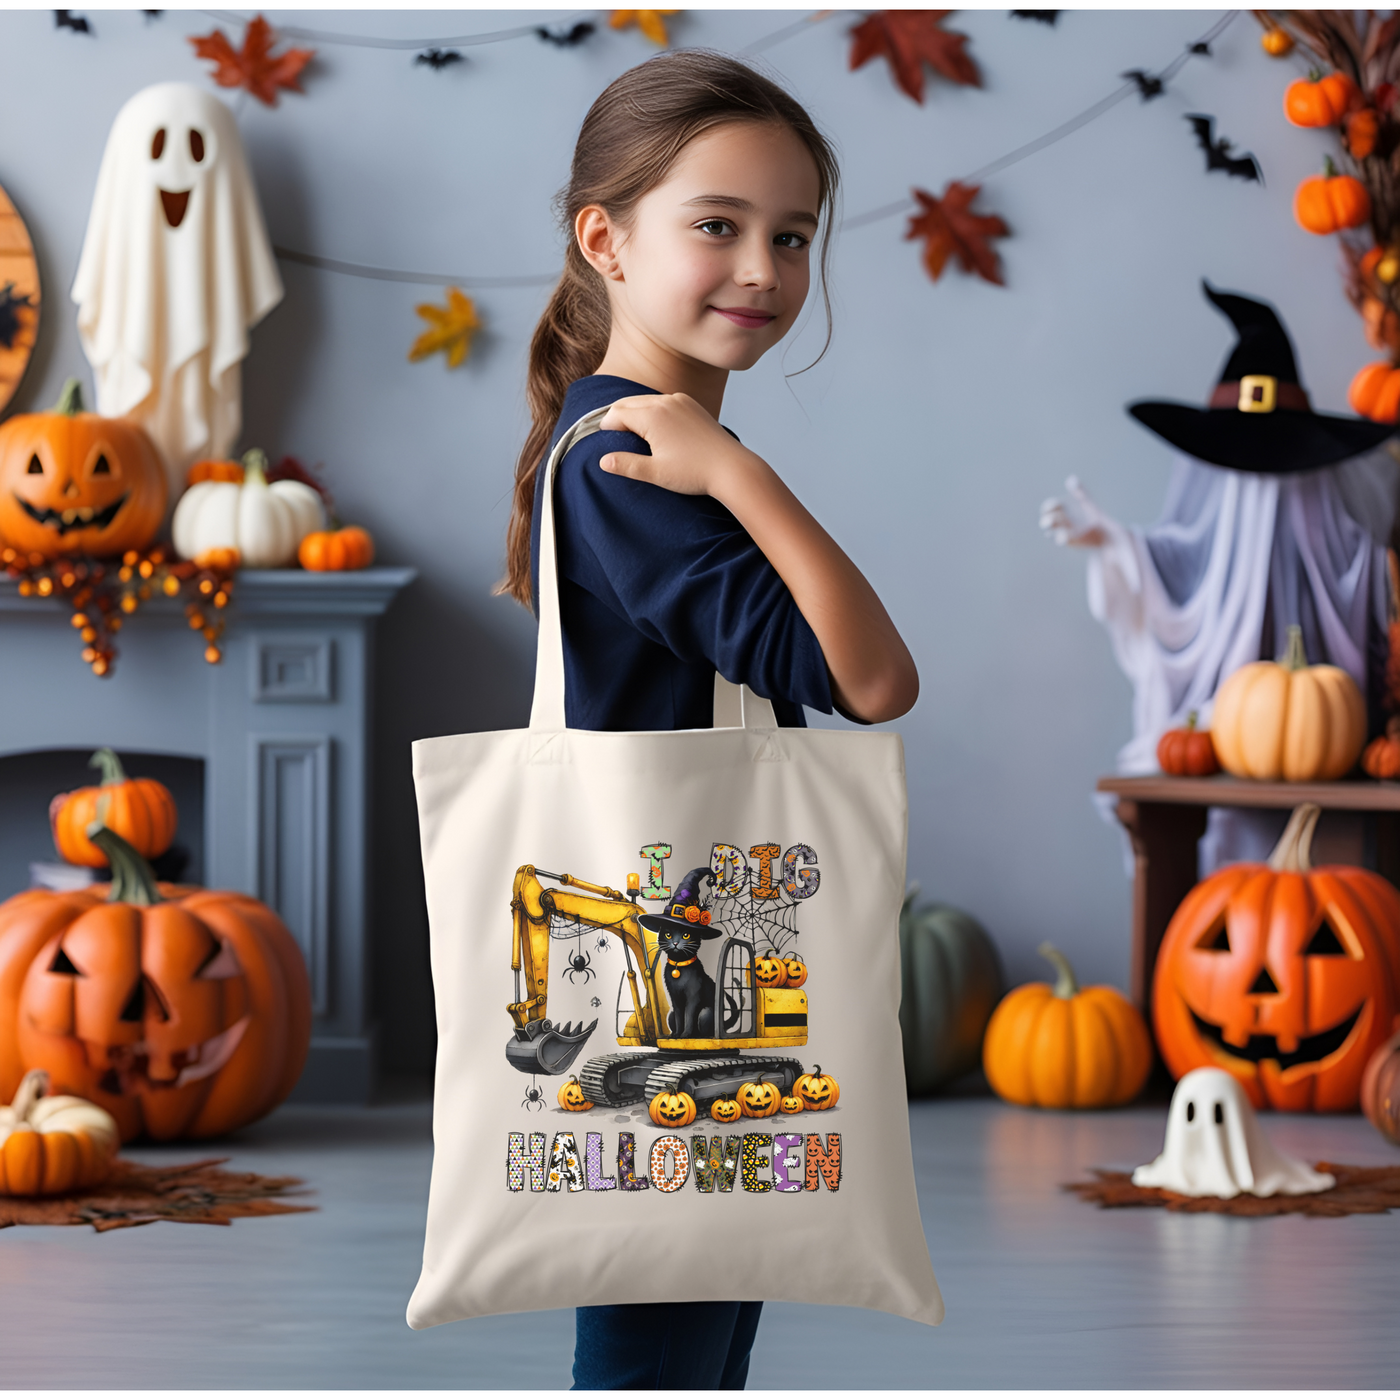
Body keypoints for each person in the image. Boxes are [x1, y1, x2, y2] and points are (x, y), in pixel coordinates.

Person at [499, 49, 918, 1391]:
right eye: (717, 226)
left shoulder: (615, 436)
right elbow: (874, 678)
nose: (763, 268)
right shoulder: (642, 461)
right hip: (674, 952)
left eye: (791, 236)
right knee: (664, 1297)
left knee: (686, 1285)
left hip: (674, 932)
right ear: (604, 240)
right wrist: (740, 469)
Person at [1041, 283, 1398, 867]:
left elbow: (1368, 581)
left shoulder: (1338, 537)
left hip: (1326, 740)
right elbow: (1177, 562)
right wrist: (1113, 547)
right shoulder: (1209, 518)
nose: (1259, 491)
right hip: (1224, 736)